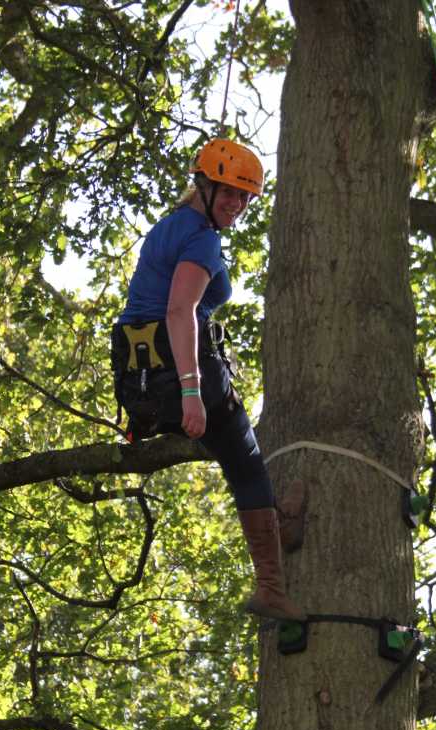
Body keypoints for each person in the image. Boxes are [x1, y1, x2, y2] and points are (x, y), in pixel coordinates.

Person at [111, 138, 306, 622]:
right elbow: (180, 311)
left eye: (245, 198)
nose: (236, 205)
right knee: (246, 457)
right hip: (176, 373)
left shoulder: (169, 229)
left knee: (229, 448)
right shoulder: (200, 237)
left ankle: (276, 527)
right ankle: (272, 586)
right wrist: (194, 391)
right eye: (230, 193)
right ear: (204, 183)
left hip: (144, 380)